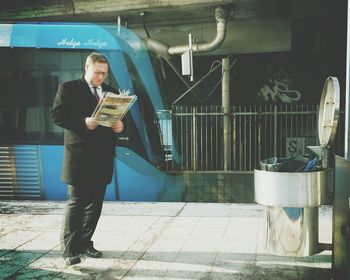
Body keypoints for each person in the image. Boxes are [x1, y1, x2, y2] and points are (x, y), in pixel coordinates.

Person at [52, 52, 124, 266]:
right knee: (76, 204)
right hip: (79, 157)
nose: (101, 77)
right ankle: (69, 250)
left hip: (102, 158)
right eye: (97, 73)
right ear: (87, 67)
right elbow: (58, 116)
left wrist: (121, 126)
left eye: (104, 74)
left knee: (95, 205)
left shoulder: (111, 92)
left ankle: (85, 243)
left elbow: (119, 119)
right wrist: (84, 121)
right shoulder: (68, 88)